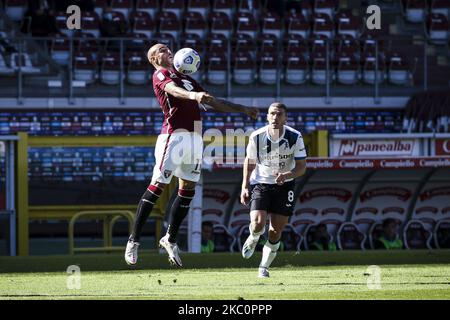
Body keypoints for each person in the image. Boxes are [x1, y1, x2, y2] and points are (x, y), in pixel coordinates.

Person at [125, 43, 259, 267]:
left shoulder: (187, 79)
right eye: (162, 50)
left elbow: (214, 101)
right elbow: (173, 91)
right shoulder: (161, 74)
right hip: (173, 137)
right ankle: (134, 240)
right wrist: (193, 95)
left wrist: (242, 109)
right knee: (158, 185)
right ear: (153, 58)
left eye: (169, 49)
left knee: (188, 189)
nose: (168, 51)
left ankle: (170, 238)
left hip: (195, 138)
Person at [240, 103, 307, 278]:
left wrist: (287, 175)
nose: (275, 118)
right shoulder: (257, 136)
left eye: (279, 114)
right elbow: (249, 162)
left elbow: (301, 167)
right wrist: (244, 186)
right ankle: (254, 236)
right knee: (257, 223)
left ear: (285, 117)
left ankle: (263, 266)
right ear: (267, 116)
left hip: (285, 186)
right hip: (261, 182)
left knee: (275, 231)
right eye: (272, 114)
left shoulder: (295, 136)